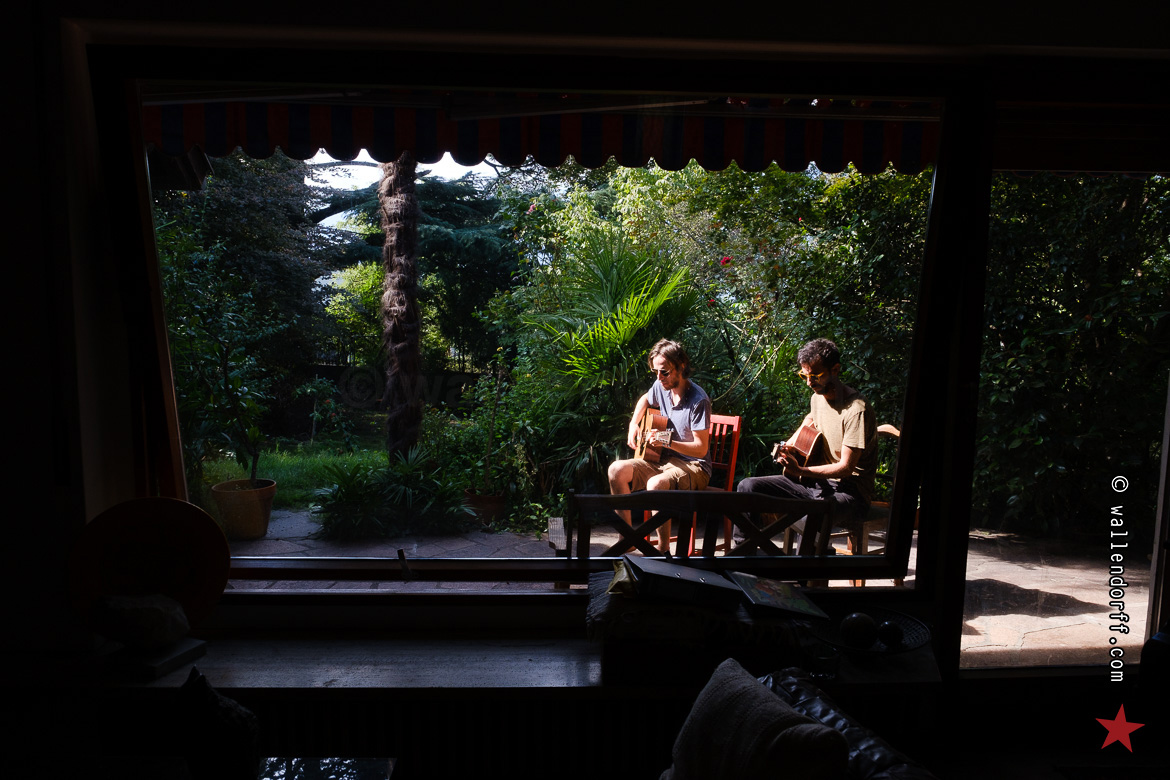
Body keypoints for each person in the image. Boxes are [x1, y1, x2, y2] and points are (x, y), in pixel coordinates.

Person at [737, 338, 878, 554]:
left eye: (815, 376)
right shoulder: (817, 398)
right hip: (816, 484)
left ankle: (805, 568)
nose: (809, 382)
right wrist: (789, 445)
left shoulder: (856, 410)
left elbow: (846, 467)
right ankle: (744, 556)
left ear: (835, 369)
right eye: (805, 375)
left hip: (850, 494)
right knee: (748, 487)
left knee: (811, 514)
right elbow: (809, 420)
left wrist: (800, 470)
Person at [608, 339, 712, 553]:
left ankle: (663, 553)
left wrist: (667, 441)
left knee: (656, 484)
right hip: (662, 460)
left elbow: (701, 449)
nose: (658, 377)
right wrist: (633, 424)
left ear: (681, 366)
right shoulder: (661, 386)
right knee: (616, 470)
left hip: (694, 466)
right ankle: (626, 541)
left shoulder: (698, 400)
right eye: (655, 372)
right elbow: (645, 399)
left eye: (664, 372)